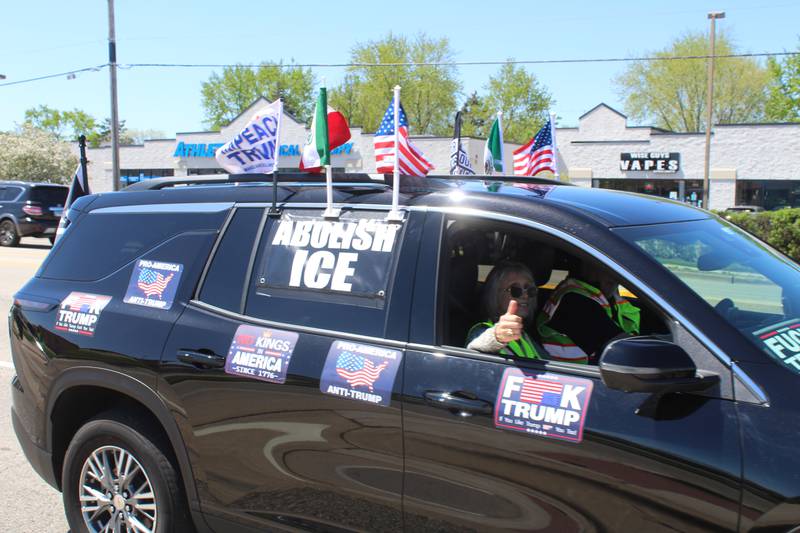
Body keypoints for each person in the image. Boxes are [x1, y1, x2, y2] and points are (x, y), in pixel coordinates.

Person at [536, 264, 640, 364]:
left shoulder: (605, 297)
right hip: (574, 377)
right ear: (589, 263)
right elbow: (624, 351)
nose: (615, 272)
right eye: (606, 265)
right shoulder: (575, 302)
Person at [466, 261, 547, 359]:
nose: (525, 295)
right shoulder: (482, 330)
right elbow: (473, 350)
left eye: (530, 289)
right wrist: (496, 336)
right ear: (495, 295)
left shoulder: (525, 335)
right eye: (515, 290)